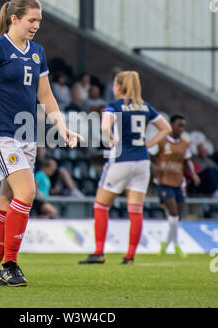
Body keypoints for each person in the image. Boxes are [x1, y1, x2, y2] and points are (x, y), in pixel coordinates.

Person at [0, 0, 83, 286]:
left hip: (27, 136)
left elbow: (46, 96)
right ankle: (10, 263)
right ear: (14, 18)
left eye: (39, 21)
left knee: (6, 202)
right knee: (26, 193)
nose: (36, 25)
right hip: (1, 133)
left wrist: (62, 127)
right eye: (32, 20)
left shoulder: (37, 52)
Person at [79, 71, 172, 265]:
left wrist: (111, 140)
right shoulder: (145, 107)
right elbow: (166, 128)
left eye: (115, 84)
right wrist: (148, 144)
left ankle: (99, 252)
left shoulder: (114, 106)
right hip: (142, 161)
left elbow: (105, 128)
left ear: (119, 87)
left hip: (121, 160)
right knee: (136, 209)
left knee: (101, 205)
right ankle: (130, 256)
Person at [152, 114, 200, 258]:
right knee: (172, 211)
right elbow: (149, 156)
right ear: (171, 125)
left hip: (178, 182)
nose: (181, 129)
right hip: (163, 181)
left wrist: (193, 174)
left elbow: (188, 160)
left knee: (177, 216)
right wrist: (155, 167)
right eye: (179, 125)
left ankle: (165, 243)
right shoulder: (161, 140)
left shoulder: (185, 143)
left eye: (183, 126)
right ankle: (177, 244)